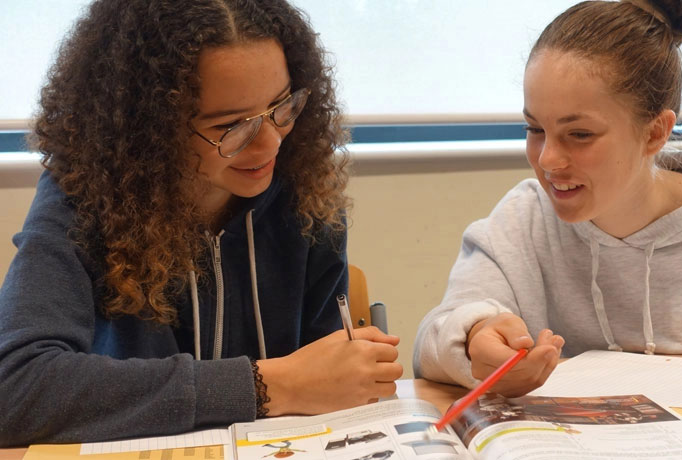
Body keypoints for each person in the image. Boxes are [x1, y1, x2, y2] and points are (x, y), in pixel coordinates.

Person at [0, 0, 402, 446]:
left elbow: (334, 384)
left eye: (282, 106)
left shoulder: (306, 191)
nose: (270, 144)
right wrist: (267, 385)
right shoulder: (82, 198)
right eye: (232, 126)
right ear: (147, 127)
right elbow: (15, 388)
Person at [413, 0, 682, 397]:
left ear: (654, 133)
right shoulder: (522, 224)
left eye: (579, 134)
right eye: (534, 129)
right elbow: (432, 341)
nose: (548, 159)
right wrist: (475, 336)